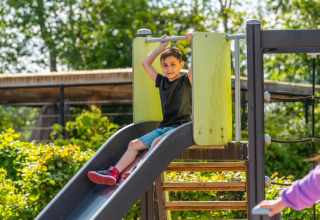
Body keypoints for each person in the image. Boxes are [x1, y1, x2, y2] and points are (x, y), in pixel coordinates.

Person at [87, 32, 194, 185]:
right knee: (133, 144)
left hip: (181, 128)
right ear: (161, 66)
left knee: (157, 142)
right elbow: (145, 63)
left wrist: (194, 42)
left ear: (181, 65)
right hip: (164, 128)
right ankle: (114, 172)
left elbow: (195, 63)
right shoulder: (162, 82)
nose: (169, 68)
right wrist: (161, 47)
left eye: (173, 64)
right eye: (165, 65)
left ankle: (136, 170)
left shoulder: (185, 81)